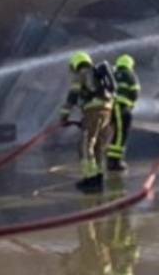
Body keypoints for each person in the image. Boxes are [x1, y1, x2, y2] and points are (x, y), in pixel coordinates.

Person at [60, 51, 113, 192]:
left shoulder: (81, 74)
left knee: (85, 145)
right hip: (107, 112)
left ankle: (90, 178)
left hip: (93, 111)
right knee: (98, 147)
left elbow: (72, 96)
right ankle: (99, 177)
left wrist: (64, 116)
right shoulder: (97, 75)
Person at [107, 54, 140, 172]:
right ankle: (114, 162)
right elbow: (135, 92)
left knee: (117, 133)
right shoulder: (129, 74)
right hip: (121, 107)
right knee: (121, 134)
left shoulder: (113, 74)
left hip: (111, 107)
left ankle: (113, 160)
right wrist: (131, 104)